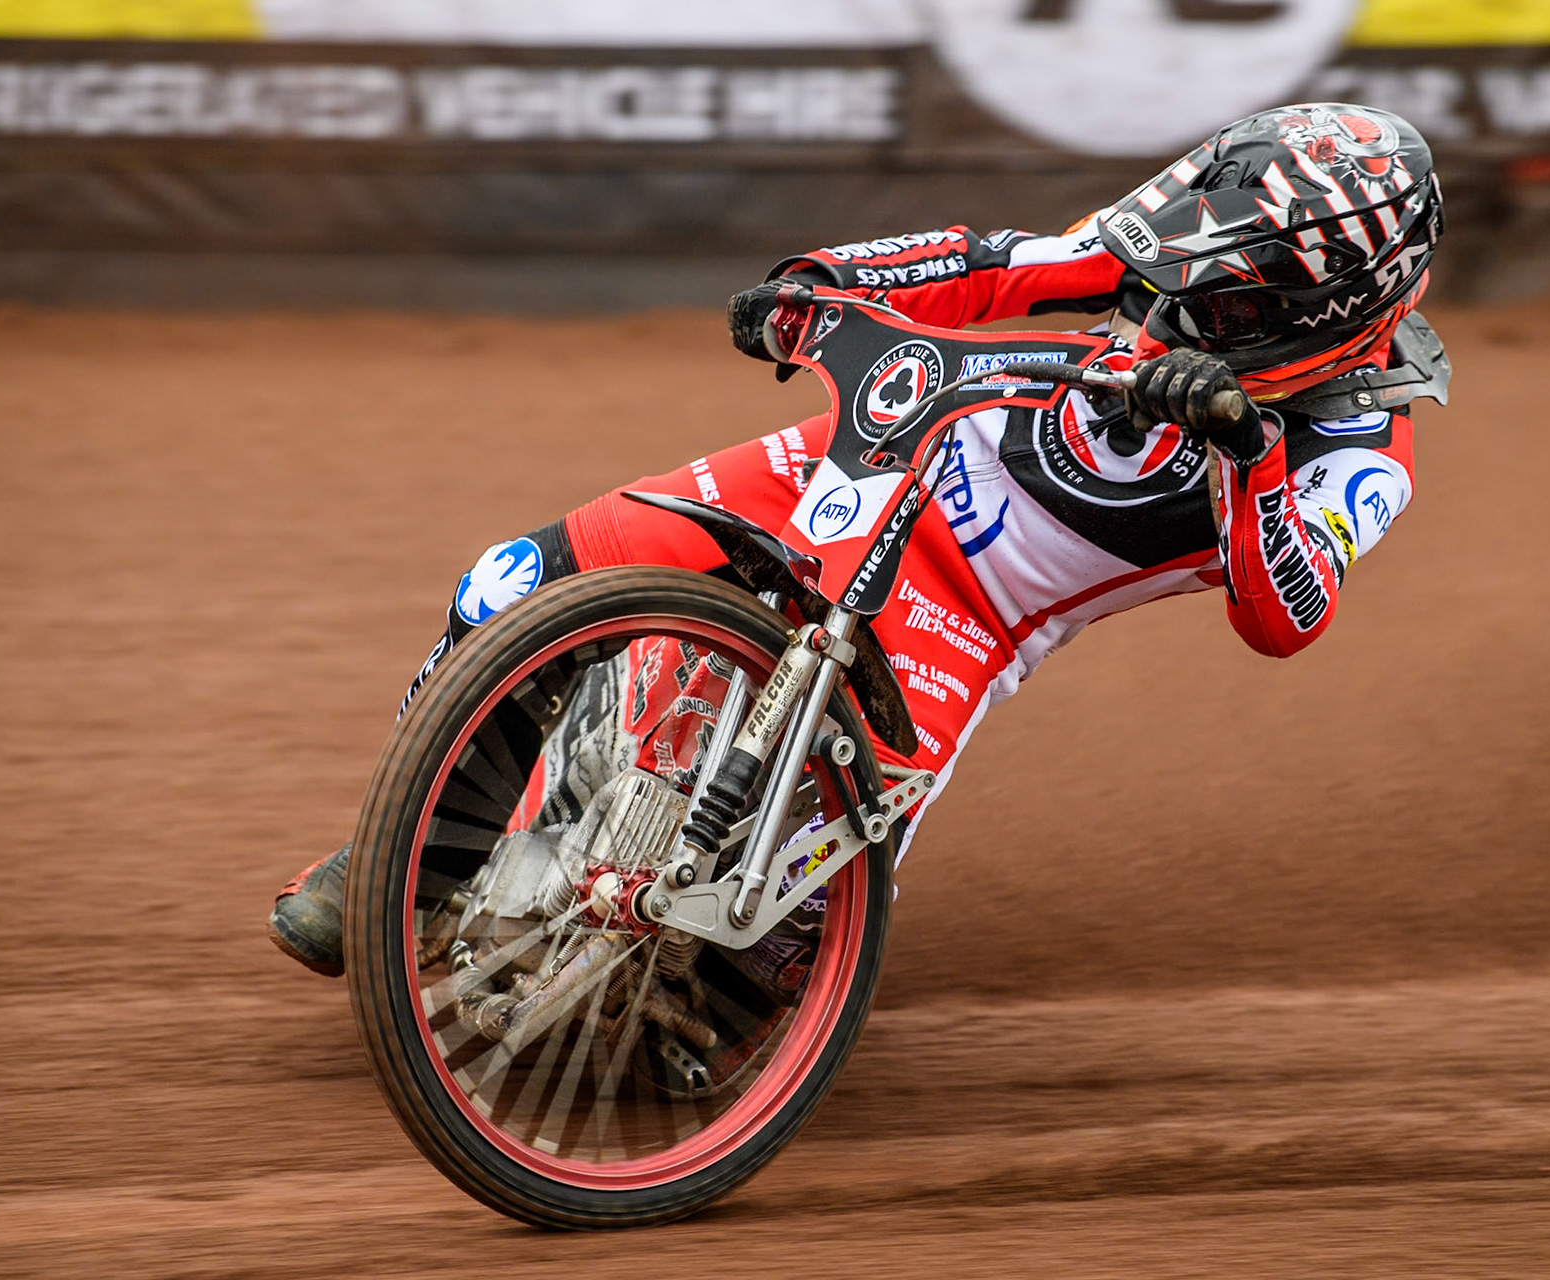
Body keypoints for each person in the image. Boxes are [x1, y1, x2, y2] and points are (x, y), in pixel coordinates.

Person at [269, 102, 1449, 977]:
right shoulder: (1184, 249)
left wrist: (1246, 453)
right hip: (863, 466)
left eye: (1230, 306)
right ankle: (411, 864)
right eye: (1183, 273)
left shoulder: (1365, 450)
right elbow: (994, 266)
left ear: (1334, 309)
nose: (1183, 306)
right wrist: (823, 280)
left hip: (969, 617)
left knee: (767, 960)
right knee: (514, 582)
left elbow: (1284, 617)